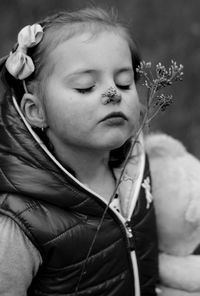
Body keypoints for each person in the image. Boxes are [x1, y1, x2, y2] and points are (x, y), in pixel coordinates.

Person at [0, 7, 158, 296]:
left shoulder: (137, 166)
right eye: (85, 87)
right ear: (36, 111)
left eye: (124, 82)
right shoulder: (19, 222)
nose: (114, 94)